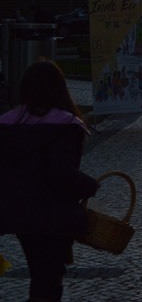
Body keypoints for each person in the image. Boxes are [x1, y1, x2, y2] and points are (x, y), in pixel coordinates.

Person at [0, 59, 99, 302]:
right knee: (48, 279)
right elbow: (60, 174)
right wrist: (89, 185)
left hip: (19, 213)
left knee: (40, 273)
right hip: (53, 215)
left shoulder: (9, 123)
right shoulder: (65, 126)